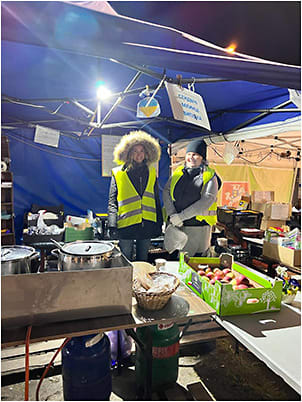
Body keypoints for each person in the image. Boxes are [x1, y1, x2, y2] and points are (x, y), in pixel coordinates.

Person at [108, 130, 163, 261]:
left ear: (147, 153)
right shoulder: (118, 173)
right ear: (128, 153)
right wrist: (112, 224)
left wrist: (159, 222)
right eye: (135, 151)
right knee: (125, 262)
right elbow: (112, 201)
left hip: (146, 225)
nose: (139, 154)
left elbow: (156, 199)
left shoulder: (152, 172)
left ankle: (140, 282)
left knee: (142, 262)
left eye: (142, 151)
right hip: (126, 226)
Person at [163, 138, 222, 257]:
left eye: (195, 154)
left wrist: (181, 216)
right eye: (189, 154)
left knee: (195, 262)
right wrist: (172, 214)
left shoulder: (210, 176)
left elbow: (207, 200)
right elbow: (166, 192)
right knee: (177, 259)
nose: (191, 157)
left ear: (202, 158)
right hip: (178, 226)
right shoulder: (178, 172)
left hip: (199, 228)